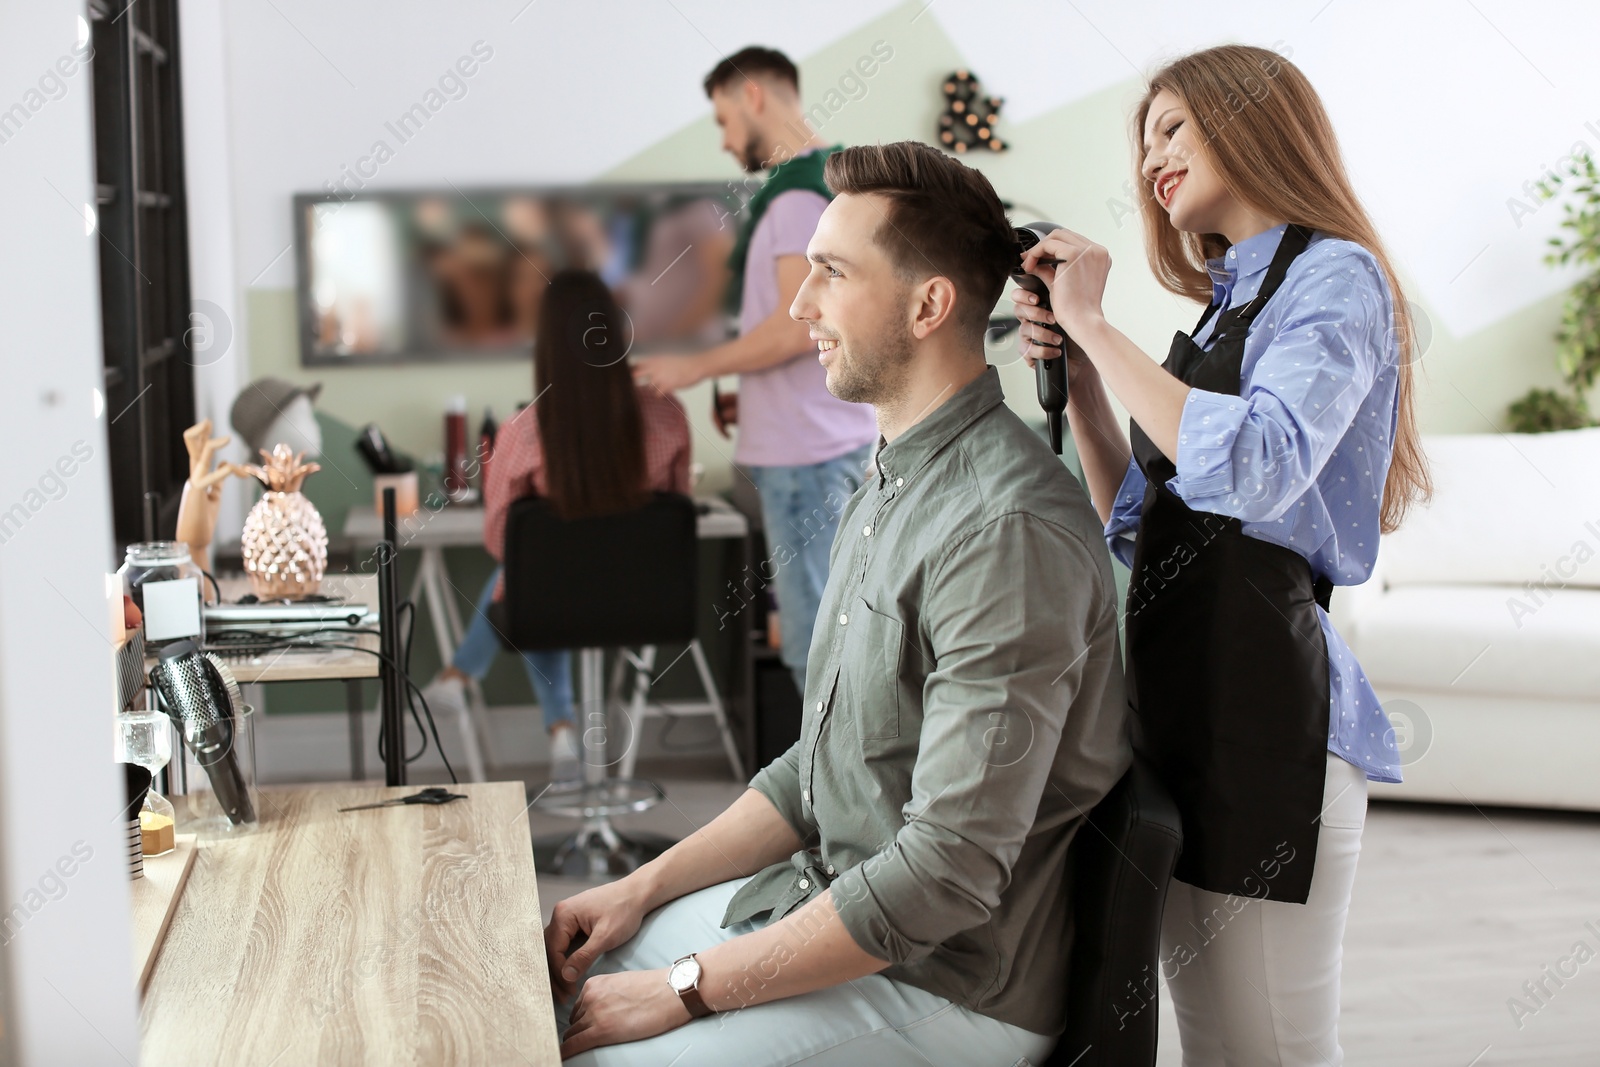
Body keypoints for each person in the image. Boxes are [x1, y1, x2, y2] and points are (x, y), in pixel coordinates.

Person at [543, 141, 1131, 1066]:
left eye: (830, 272)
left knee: (599, 1056)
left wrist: (685, 987)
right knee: (557, 983)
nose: (799, 304)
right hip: (826, 901)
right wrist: (640, 888)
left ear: (928, 303)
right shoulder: (890, 479)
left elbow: (943, 874)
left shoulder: (1005, 530)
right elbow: (813, 774)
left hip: (943, 983)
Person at [1012, 44, 1430, 1066]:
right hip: (1181, 705)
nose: (1151, 157)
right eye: (1142, 138)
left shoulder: (1337, 277)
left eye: (1172, 127)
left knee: (1267, 1046)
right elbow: (1139, 518)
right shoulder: (1221, 305)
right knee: (1210, 1040)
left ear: (1250, 120)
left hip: (1267, 726)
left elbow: (1255, 464)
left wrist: (1094, 326)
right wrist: (1080, 376)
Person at [631, 46, 878, 696]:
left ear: (753, 96)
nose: (723, 141)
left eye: (723, 120)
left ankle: (831, 799)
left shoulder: (796, 199)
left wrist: (692, 368)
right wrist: (746, 389)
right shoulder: (831, 180)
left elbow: (799, 325)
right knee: (836, 640)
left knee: (815, 652)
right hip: (825, 439)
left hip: (806, 456)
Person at [423, 270, 691, 783]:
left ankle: (539, 715)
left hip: (555, 606)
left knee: (530, 578)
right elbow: (678, 511)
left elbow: (502, 542)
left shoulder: (523, 434)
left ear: (545, 345)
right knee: (536, 577)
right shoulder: (668, 415)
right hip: (644, 602)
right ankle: (551, 721)